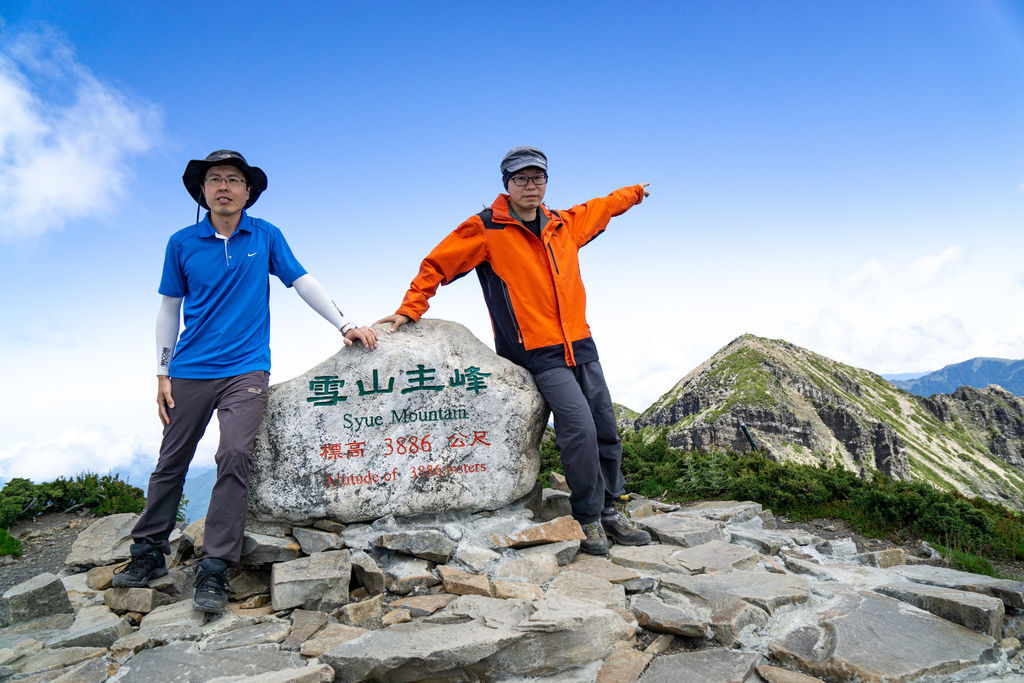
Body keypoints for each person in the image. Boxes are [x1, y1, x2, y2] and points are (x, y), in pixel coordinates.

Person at [113, 150, 378, 612]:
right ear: (202, 191)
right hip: (190, 370)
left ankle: (214, 567)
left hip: (247, 369)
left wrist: (344, 324)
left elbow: (302, 281)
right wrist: (161, 371)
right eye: (214, 179)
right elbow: (168, 309)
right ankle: (148, 553)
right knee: (171, 461)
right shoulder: (182, 243)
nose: (223, 187)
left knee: (234, 454)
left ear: (247, 192)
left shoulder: (266, 235)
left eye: (233, 180)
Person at [377, 146, 651, 555]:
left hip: (581, 344)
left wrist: (634, 192)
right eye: (521, 178)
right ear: (506, 183)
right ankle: (589, 518)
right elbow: (436, 265)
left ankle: (613, 509)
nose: (530, 185)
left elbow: (603, 206)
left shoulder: (563, 224)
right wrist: (409, 309)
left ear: (546, 182)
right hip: (536, 352)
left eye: (537, 177)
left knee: (606, 428)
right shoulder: (486, 229)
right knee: (579, 429)